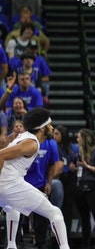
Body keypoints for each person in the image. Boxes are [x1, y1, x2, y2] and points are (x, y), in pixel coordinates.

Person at [0, 107, 70, 249]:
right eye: (49, 125)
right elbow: (1, 155)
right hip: (8, 182)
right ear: (43, 128)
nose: (52, 127)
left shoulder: (24, 136)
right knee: (55, 213)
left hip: (8, 182)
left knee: (12, 208)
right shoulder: (31, 144)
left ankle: (11, 246)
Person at [72, 129, 95, 249]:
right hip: (81, 186)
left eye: (79, 137)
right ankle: (85, 244)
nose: (77, 140)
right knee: (84, 218)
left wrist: (87, 166)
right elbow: (80, 169)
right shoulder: (80, 152)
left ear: (85, 138)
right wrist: (75, 168)